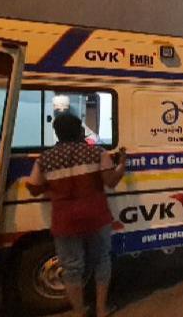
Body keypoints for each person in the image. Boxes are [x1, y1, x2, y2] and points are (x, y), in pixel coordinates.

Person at [27, 113, 126, 317]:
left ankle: (79, 312)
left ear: (57, 134)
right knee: (101, 262)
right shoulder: (97, 153)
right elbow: (111, 181)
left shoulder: (45, 160)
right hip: (96, 217)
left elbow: (34, 188)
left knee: (72, 267)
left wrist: (52, 186)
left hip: (65, 222)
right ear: (80, 131)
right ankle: (101, 309)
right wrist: (122, 164)